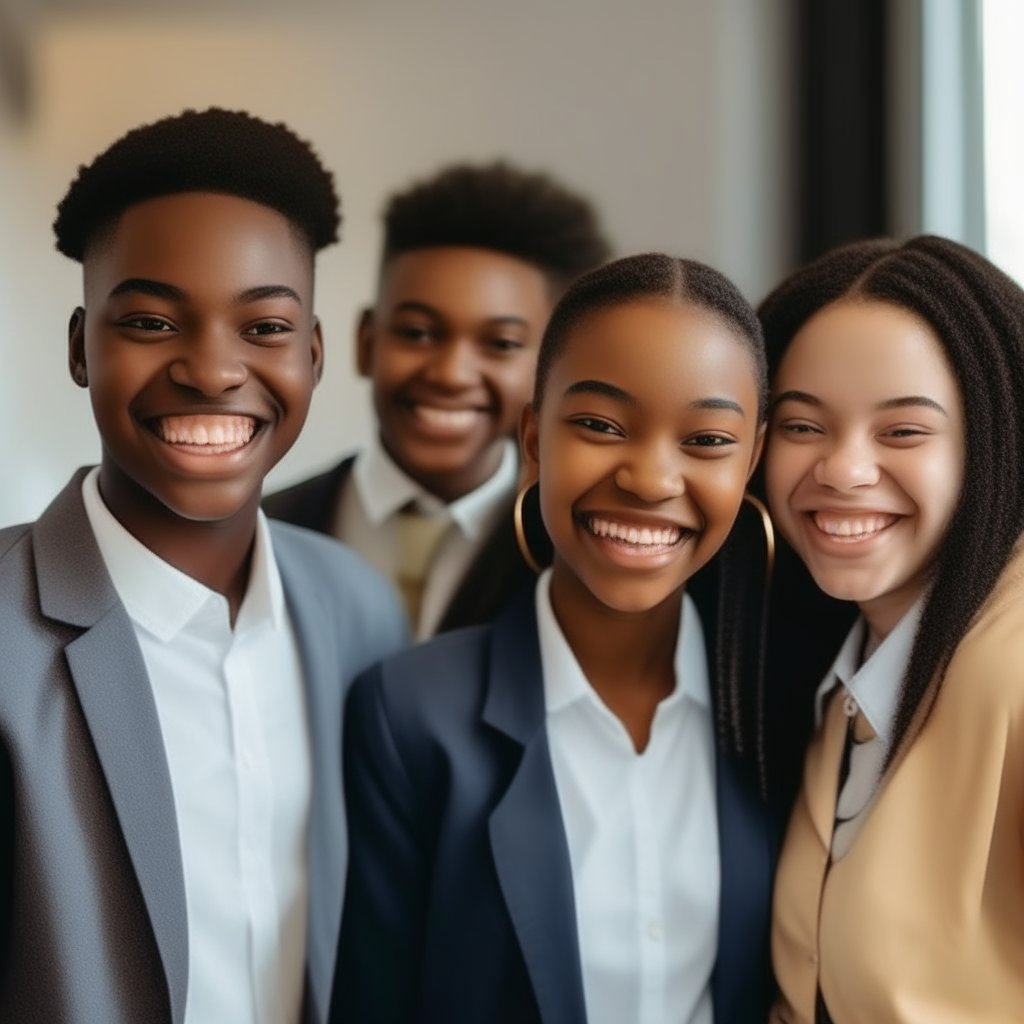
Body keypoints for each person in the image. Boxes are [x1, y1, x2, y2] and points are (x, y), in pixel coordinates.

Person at [0, 109, 407, 1024]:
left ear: (313, 354)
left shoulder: (358, 610)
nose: (214, 369)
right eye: (150, 319)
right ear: (79, 347)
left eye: (263, 327)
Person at [332, 253, 777, 1024]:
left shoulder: (780, 711)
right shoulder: (408, 715)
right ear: (534, 438)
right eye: (601, 426)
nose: (648, 478)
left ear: (754, 461)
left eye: (706, 441)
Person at [756, 236, 1024, 1023]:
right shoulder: (850, 665)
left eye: (903, 432)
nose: (842, 470)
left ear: (993, 442)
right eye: (801, 426)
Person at [263, 163, 610, 638]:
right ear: (367, 342)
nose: (450, 374)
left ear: (550, 371)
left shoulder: (578, 558)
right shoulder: (264, 529)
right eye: (418, 333)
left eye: (501, 343)